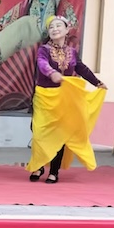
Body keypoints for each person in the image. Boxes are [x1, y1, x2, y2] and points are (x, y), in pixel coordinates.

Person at [27, 16, 107, 184]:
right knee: (39, 132)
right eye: (51, 27)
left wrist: (97, 83)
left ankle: (54, 171)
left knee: (61, 133)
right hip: (45, 97)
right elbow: (42, 63)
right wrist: (51, 73)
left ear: (66, 30)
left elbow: (81, 68)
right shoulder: (44, 50)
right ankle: (39, 165)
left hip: (65, 98)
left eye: (58, 26)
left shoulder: (72, 52)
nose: (55, 29)